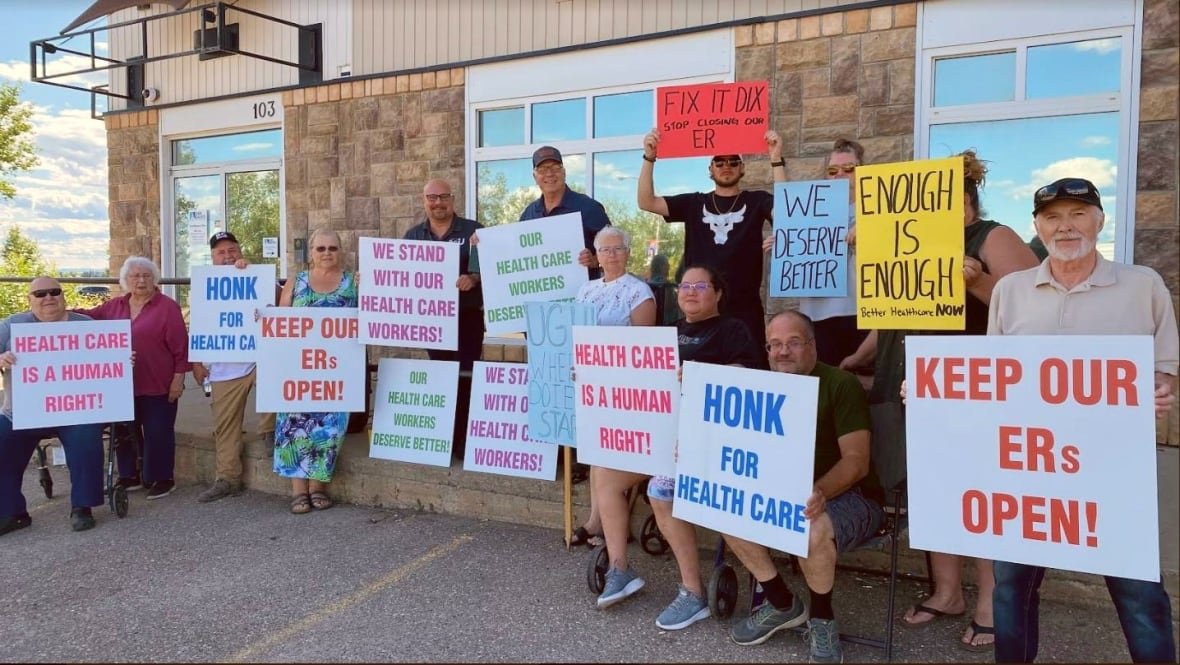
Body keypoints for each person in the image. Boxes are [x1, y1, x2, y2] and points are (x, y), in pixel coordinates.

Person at [839, 150, 1039, 650]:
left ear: (960, 199)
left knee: (980, 494)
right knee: (930, 495)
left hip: (971, 388)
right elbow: (892, 312)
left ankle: (992, 603)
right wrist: (858, 358)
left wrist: (977, 281)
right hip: (903, 380)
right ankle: (946, 591)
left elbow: (1035, 306)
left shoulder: (989, 236)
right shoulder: (906, 241)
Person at [987, 177, 1178, 663]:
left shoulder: (1143, 285)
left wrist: (1159, 388)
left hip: (1111, 469)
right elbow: (991, 377)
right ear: (1037, 226)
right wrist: (929, 391)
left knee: (1138, 591)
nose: (1065, 226)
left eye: (1077, 213)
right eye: (1052, 217)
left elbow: (1165, 369)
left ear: (1099, 220)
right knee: (1011, 585)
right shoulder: (1010, 291)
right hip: (1026, 467)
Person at [596, 264, 762, 628]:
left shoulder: (733, 330)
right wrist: (593, 375)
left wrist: (705, 376)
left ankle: (693, 593)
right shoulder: (668, 333)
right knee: (603, 473)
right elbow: (633, 378)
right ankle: (620, 568)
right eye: (684, 286)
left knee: (660, 489)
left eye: (700, 286)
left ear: (718, 293)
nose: (690, 292)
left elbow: (751, 378)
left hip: (707, 443)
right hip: (662, 437)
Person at [720, 310, 883, 663]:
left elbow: (856, 461)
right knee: (723, 506)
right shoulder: (762, 387)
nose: (783, 352)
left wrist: (820, 491)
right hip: (781, 490)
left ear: (812, 344)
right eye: (774, 344)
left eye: (793, 343)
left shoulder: (841, 384)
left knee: (808, 525)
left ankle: (822, 618)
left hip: (850, 496)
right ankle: (781, 602)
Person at [638, 128, 786, 367]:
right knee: (690, 377)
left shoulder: (757, 200)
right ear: (710, 169)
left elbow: (788, 212)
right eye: (719, 162)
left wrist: (776, 159)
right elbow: (647, 202)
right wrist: (649, 157)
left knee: (749, 377)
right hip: (699, 312)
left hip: (744, 310)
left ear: (742, 168)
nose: (726, 166)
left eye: (733, 161)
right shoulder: (695, 203)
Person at [0, 277, 109, 534]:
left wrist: (124, 358)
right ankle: (11, 511)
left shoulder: (85, 325)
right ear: (30, 300)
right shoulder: (12, 325)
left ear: (63, 296)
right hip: (22, 411)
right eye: (40, 294)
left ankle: (82, 506)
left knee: (86, 438)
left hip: (75, 410)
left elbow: (108, 362)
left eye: (54, 292)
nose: (48, 298)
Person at [76, 256, 190, 500]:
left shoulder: (167, 307)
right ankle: (130, 475)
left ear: (154, 279)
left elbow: (181, 348)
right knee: (124, 431)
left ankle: (161, 478)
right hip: (120, 383)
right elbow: (85, 319)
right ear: (125, 280)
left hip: (159, 381)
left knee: (158, 431)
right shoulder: (114, 306)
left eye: (146, 276)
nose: (141, 280)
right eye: (135, 276)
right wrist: (54, 312)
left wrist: (178, 379)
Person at [571, 227, 656, 549]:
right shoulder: (586, 290)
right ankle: (597, 520)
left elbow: (643, 346)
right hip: (592, 384)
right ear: (596, 255)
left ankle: (607, 524)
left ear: (628, 252)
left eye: (617, 249)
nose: (611, 255)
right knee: (596, 450)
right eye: (605, 250)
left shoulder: (639, 292)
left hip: (625, 385)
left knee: (620, 451)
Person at [273, 227, 358, 514]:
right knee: (294, 425)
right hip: (299, 369)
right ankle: (298, 490)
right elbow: (281, 320)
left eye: (332, 248)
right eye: (320, 248)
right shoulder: (296, 281)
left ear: (340, 251)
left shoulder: (352, 282)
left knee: (330, 428)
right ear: (311, 253)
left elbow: (369, 318)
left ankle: (318, 487)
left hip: (336, 372)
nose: (326, 254)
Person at [770, 138, 870, 365]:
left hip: (860, 313)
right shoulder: (813, 208)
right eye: (833, 170)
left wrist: (869, 225)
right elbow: (788, 205)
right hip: (815, 316)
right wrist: (784, 243)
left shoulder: (876, 208)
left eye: (849, 169)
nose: (840, 175)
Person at [192, 231, 266, 503]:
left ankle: (270, 433)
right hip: (223, 367)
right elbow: (198, 325)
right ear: (212, 257)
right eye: (221, 252)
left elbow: (282, 299)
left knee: (278, 380)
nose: (227, 256)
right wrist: (196, 363)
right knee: (225, 427)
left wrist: (252, 272)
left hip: (257, 360)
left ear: (239, 251)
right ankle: (228, 478)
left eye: (231, 250)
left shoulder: (253, 275)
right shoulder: (203, 285)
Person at [404, 179, 484, 371]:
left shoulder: (473, 230)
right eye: (432, 197)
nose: (438, 202)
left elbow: (488, 267)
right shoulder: (413, 236)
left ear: (452, 200)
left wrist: (473, 278)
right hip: (432, 319)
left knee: (467, 373)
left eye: (444, 197)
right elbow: (399, 275)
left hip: (468, 318)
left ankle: (464, 403)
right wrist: (368, 279)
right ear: (424, 201)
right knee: (440, 372)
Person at [519, 145, 611, 280]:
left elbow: (615, 248)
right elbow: (515, 252)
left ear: (564, 172)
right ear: (535, 176)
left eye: (555, 168)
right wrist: (483, 241)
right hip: (540, 298)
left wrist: (595, 260)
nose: (550, 174)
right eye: (543, 169)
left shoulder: (588, 207)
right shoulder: (529, 213)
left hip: (581, 296)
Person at [646, 253, 680, 325]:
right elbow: (668, 305)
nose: (668, 266)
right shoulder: (666, 285)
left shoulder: (647, 283)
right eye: (665, 264)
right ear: (659, 266)